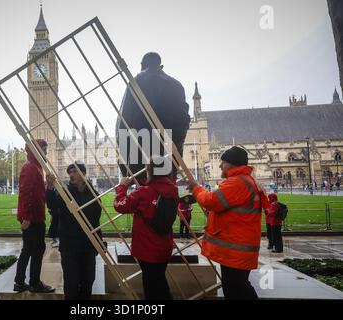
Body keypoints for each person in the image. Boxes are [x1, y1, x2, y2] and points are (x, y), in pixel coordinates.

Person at [188, 146, 269, 300]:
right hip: (238, 248)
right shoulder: (245, 181)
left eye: (223, 162)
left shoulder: (237, 182)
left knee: (237, 290)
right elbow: (228, 209)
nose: (220, 166)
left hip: (236, 249)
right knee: (237, 287)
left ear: (231, 164)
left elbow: (211, 201)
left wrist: (195, 188)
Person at [116, 52, 190, 180]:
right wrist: (177, 145)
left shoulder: (136, 82)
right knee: (166, 187)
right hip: (168, 146)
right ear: (160, 65)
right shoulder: (176, 85)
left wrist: (122, 147)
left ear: (142, 65)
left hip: (140, 147)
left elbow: (124, 118)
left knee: (143, 189)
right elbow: (183, 120)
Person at [114, 159, 179, 300]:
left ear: (151, 171)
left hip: (147, 248)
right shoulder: (173, 190)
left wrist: (122, 187)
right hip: (164, 247)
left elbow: (120, 205)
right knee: (160, 282)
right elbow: (155, 193)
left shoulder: (143, 192)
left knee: (153, 289)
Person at [46, 162, 102, 300]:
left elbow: (96, 220)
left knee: (88, 281)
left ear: (83, 173)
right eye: (70, 172)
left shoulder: (93, 193)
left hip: (88, 245)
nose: (71, 175)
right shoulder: (66, 192)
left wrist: (99, 242)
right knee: (71, 282)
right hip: (70, 245)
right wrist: (50, 187)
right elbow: (52, 204)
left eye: (75, 171)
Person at [13, 139, 55, 294]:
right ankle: (34, 283)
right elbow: (27, 194)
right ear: (36, 150)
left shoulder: (35, 167)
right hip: (33, 218)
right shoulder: (31, 167)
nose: (45, 152)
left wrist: (48, 186)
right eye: (44, 149)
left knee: (29, 249)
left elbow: (37, 193)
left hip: (35, 216)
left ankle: (19, 282)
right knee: (36, 250)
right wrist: (26, 217)